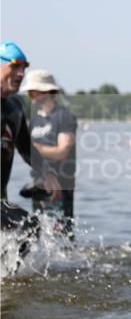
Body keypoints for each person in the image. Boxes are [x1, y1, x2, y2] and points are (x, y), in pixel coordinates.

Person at [22, 69, 77, 234]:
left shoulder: (64, 116)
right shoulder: (35, 119)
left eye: (32, 91)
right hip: (38, 184)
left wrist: (30, 147)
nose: (29, 94)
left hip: (60, 185)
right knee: (37, 235)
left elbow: (62, 151)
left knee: (62, 235)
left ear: (45, 91)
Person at [1, 42, 35, 241]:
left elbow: (27, 149)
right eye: (15, 66)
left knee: (29, 229)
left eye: (24, 67)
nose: (21, 73)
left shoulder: (15, 108)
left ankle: (8, 273)